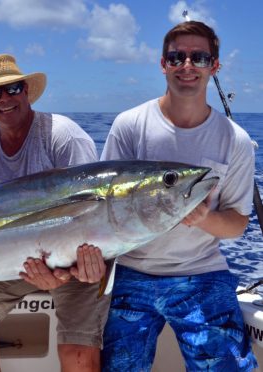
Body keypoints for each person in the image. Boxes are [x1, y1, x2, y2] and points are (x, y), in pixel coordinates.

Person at [100, 21, 259, 371]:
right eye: (177, 57)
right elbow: (104, 207)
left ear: (214, 66)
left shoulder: (236, 140)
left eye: (199, 57)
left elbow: (235, 224)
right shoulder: (129, 125)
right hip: (131, 272)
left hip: (202, 273)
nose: (187, 65)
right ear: (163, 64)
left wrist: (204, 217)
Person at [0, 53, 111, 372]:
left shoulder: (62, 136)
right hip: (14, 261)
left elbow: (92, 216)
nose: (4, 99)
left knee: (78, 355)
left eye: (13, 89)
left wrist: (63, 273)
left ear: (27, 92)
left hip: (80, 260)